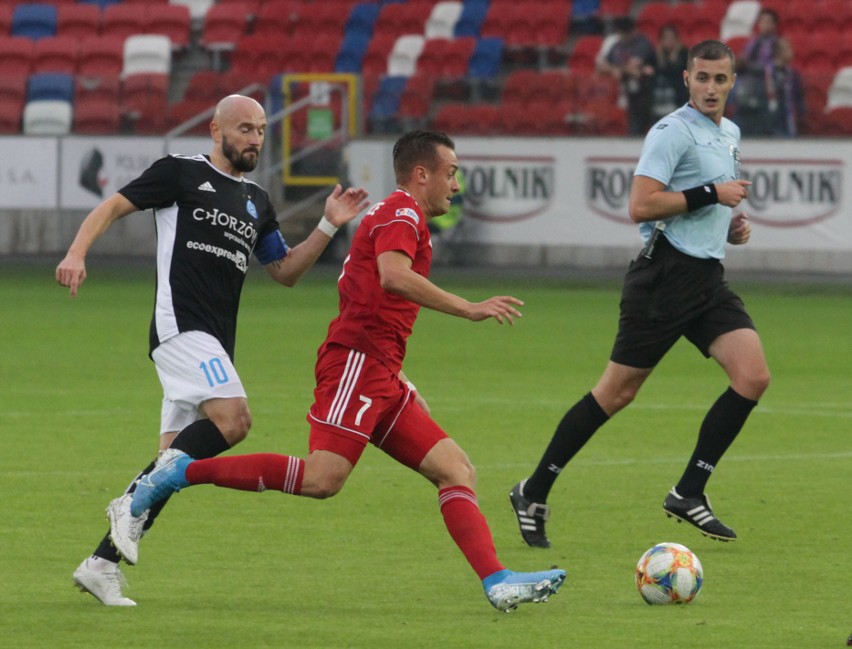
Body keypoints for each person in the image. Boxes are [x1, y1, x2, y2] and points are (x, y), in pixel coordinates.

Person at [126, 130, 566, 612]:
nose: (455, 185)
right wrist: (468, 308)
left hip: (379, 371)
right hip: (356, 365)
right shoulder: (401, 213)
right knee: (322, 479)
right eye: (451, 173)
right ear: (422, 174)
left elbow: (374, 296)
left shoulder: (396, 214)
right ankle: (179, 472)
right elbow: (392, 277)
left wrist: (399, 378)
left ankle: (496, 580)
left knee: (456, 469)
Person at [57, 94, 370, 606]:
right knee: (235, 419)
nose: (254, 138)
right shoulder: (181, 172)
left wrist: (329, 224)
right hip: (180, 327)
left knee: (169, 466)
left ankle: (100, 565)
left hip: (214, 342)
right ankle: (128, 502)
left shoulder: (258, 202)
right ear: (216, 129)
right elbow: (113, 206)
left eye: (262, 130)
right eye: (244, 128)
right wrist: (76, 251)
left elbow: (285, 272)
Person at [509, 40, 770, 548]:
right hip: (663, 279)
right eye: (703, 78)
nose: (711, 87)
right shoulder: (671, 132)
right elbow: (640, 205)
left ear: (733, 82)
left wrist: (728, 228)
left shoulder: (729, 132)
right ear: (686, 79)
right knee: (616, 393)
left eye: (720, 79)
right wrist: (712, 196)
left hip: (706, 279)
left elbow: (703, 208)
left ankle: (689, 490)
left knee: (753, 376)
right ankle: (533, 490)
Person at [598, 16, 657, 136]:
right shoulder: (617, 45)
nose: (621, 37)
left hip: (647, 93)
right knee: (634, 129)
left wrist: (617, 68)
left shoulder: (642, 44)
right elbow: (602, 66)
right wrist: (618, 69)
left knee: (651, 129)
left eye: (624, 33)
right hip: (629, 93)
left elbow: (634, 67)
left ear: (632, 31)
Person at [734, 8, 781, 135]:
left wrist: (748, 65)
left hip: (765, 92)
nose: (764, 24)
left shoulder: (777, 44)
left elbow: (773, 68)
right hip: (747, 90)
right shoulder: (752, 42)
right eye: (762, 21)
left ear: (774, 25)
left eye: (768, 21)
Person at [652, 23, 689, 121]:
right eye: (665, 38)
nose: (668, 41)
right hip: (659, 99)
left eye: (671, 38)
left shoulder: (684, 53)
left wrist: (660, 69)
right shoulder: (656, 54)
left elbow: (676, 71)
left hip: (678, 98)